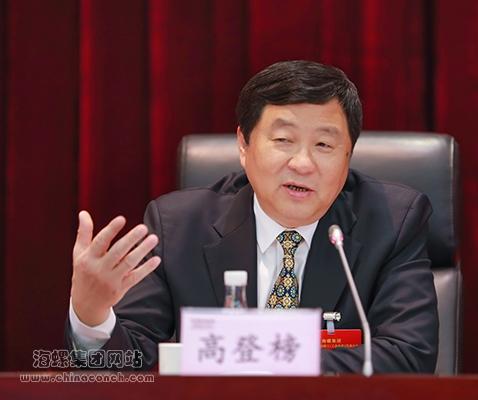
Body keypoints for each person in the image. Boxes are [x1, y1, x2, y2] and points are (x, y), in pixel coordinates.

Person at [66, 60, 439, 373]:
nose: (303, 163)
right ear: (243, 145)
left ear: (349, 155)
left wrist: (257, 358)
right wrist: (91, 315)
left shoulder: (392, 221)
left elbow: (408, 356)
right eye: (283, 140)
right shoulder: (178, 226)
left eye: (324, 144)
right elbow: (130, 366)